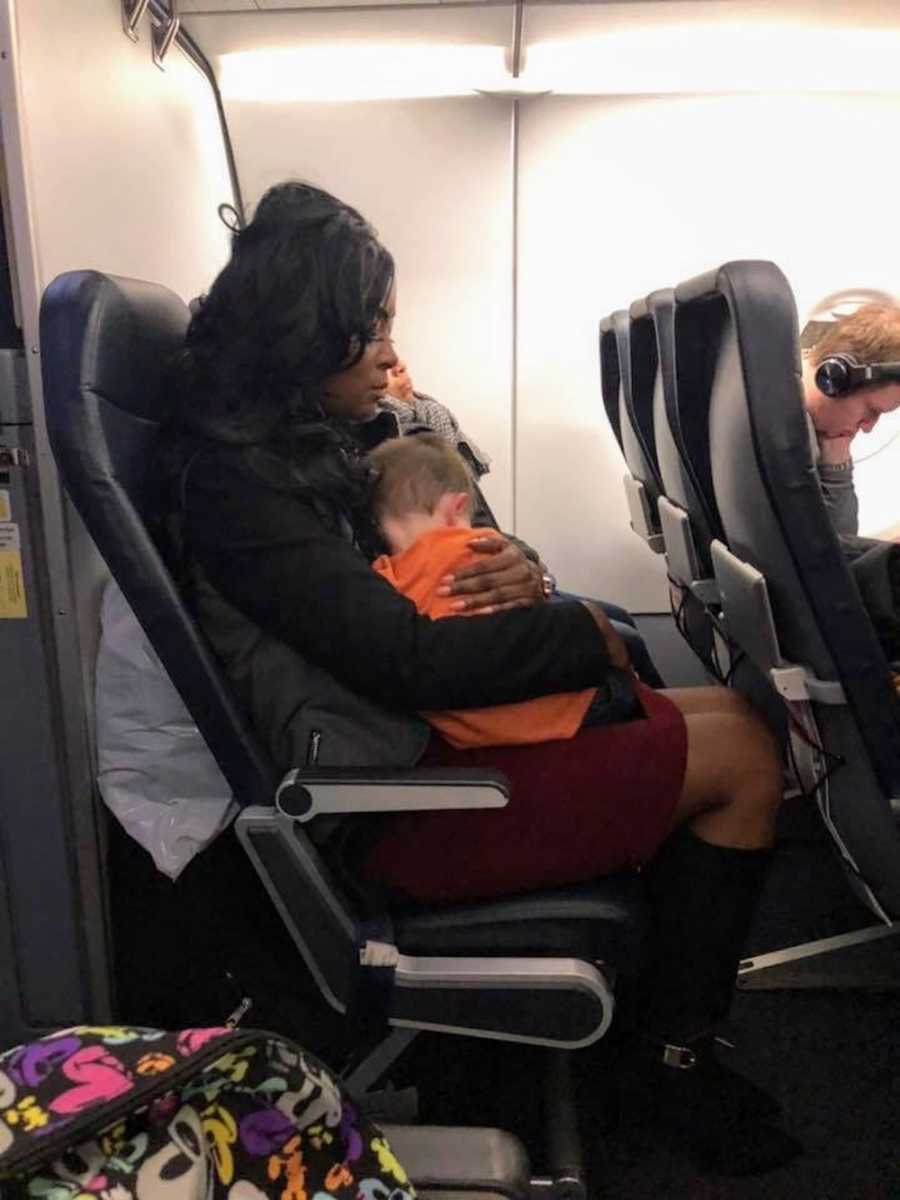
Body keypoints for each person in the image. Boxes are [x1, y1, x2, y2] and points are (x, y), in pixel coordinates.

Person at [163, 180, 799, 1175]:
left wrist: (528, 572)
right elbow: (409, 661)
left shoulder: (308, 452)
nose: (386, 353)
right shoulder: (239, 489)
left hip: (424, 758)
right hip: (393, 808)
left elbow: (436, 565)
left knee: (722, 710)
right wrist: (588, 631)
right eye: (366, 330)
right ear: (302, 334)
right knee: (747, 756)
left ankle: (648, 1032)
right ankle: (664, 1068)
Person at [378, 358, 666, 686]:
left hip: (492, 595)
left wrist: (530, 568)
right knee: (620, 635)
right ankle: (654, 716)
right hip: (464, 632)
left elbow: (483, 523)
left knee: (619, 619)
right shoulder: (393, 452)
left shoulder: (424, 422)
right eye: (376, 335)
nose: (394, 360)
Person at [369, 433, 641, 745]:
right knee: (624, 659)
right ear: (456, 507)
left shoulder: (382, 576)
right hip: (560, 713)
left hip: (465, 731)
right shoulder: (481, 546)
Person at [801, 304, 900, 538]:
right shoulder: (791, 432)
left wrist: (837, 460)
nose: (867, 427)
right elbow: (838, 548)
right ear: (835, 379)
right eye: (872, 410)